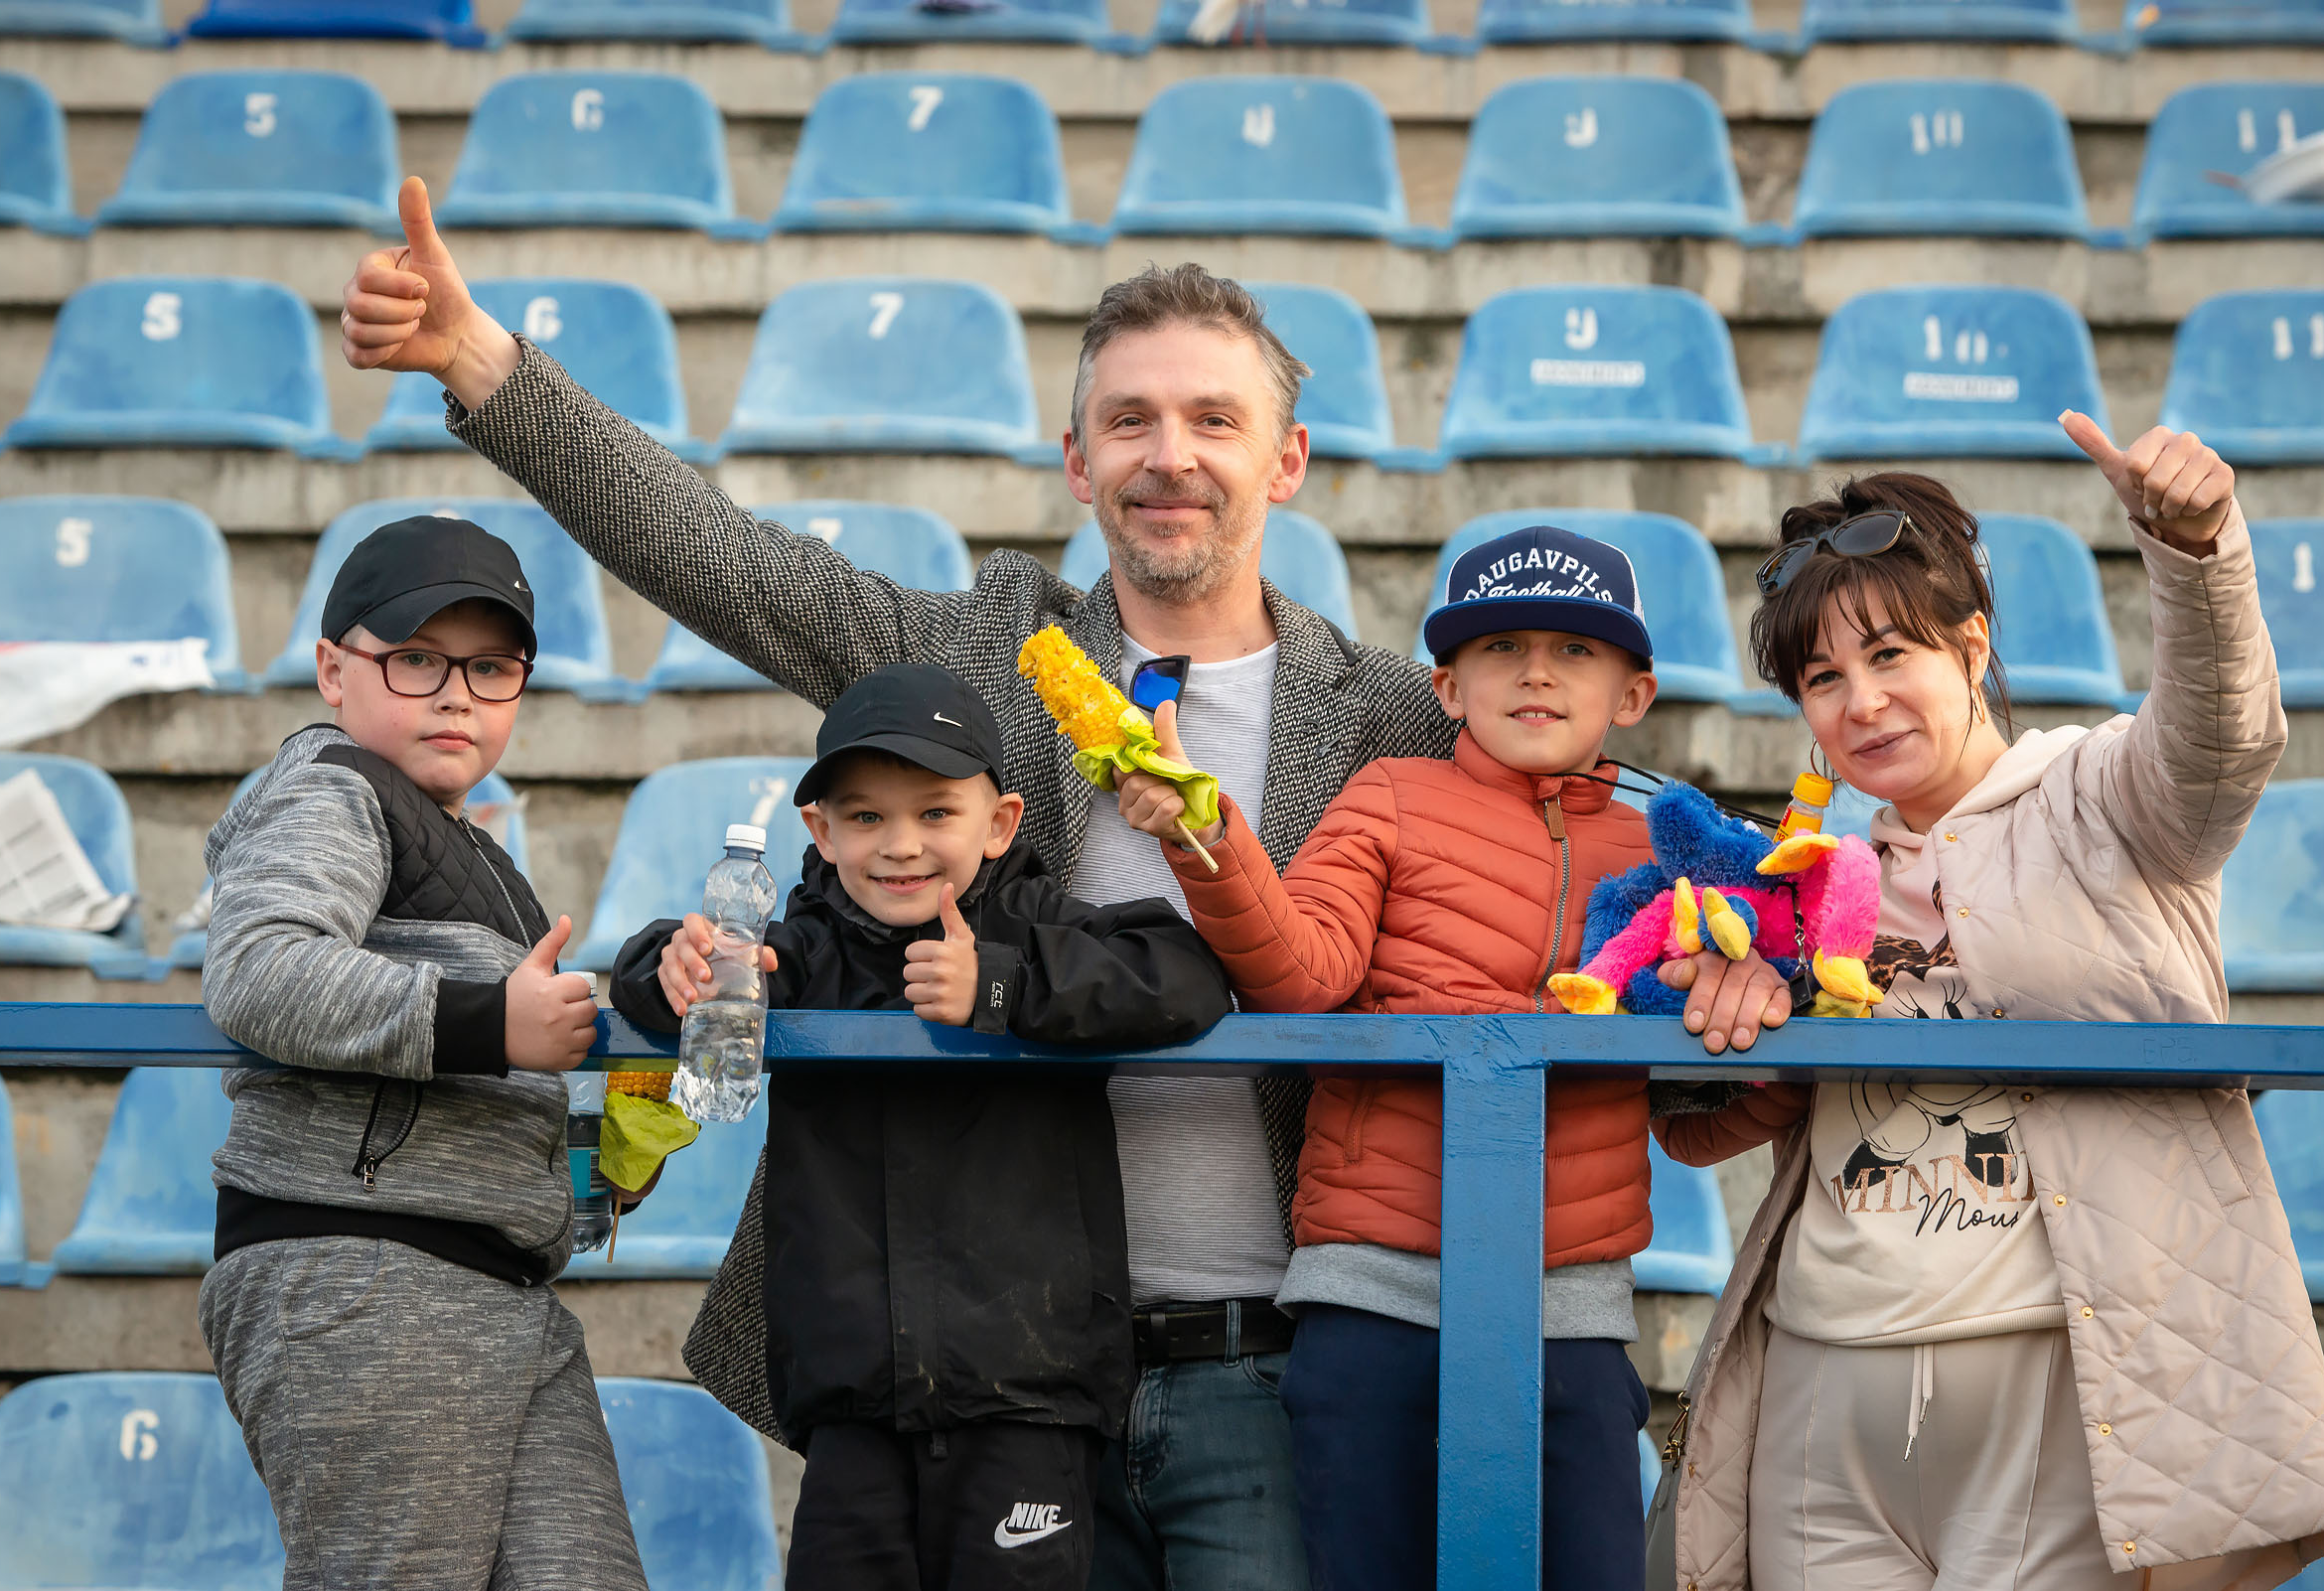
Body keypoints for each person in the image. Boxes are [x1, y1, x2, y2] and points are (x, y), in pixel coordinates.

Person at [335, 182, 1777, 1588]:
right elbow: (732, 564)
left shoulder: (1398, 716)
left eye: (1215, 420)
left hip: (1272, 1358)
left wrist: (1743, 948)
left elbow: (1618, 843)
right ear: (1076, 460)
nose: (1171, 456)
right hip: (989, 1358)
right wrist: (484, 364)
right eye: (1130, 420)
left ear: (1287, 461)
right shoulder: (985, 656)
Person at [1657, 416, 2324, 1591]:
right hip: (1820, 1389)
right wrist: (1727, 1014)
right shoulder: (1808, 881)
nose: (1861, 703)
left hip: (2053, 1392)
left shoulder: (2105, 798)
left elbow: (2223, 740)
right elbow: (1703, 1126)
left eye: (1891, 655)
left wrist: (2196, 554)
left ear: (1972, 645)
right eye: (1822, 679)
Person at [1109, 524, 1790, 1591]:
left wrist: (1778, 1059)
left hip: (1570, 1311)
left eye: (1575, 650)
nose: (1535, 671)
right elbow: (1302, 974)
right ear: (1446, 687)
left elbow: (1695, 1127)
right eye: (1501, 646)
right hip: (1368, 1301)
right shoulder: (1391, 794)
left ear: (1634, 696)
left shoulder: (1671, 857)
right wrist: (1210, 836)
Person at [607, 664, 1233, 1590]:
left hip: (1030, 1398)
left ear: (1001, 823)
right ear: (821, 832)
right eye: (867, 817)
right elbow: (659, 977)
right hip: (852, 1403)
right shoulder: (801, 949)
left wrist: (1002, 989)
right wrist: (669, 966)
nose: (901, 845)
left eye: (936, 812)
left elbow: (1187, 974)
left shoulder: (1035, 924)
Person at [196, 515, 649, 1591]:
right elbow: (258, 968)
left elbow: (491, 1088)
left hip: (503, 1283)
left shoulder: (477, 854)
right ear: (333, 670)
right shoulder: (331, 788)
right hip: (367, 1272)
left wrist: (615, 1147)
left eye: (491, 668)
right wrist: (493, 1023)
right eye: (417, 659)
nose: (457, 695)